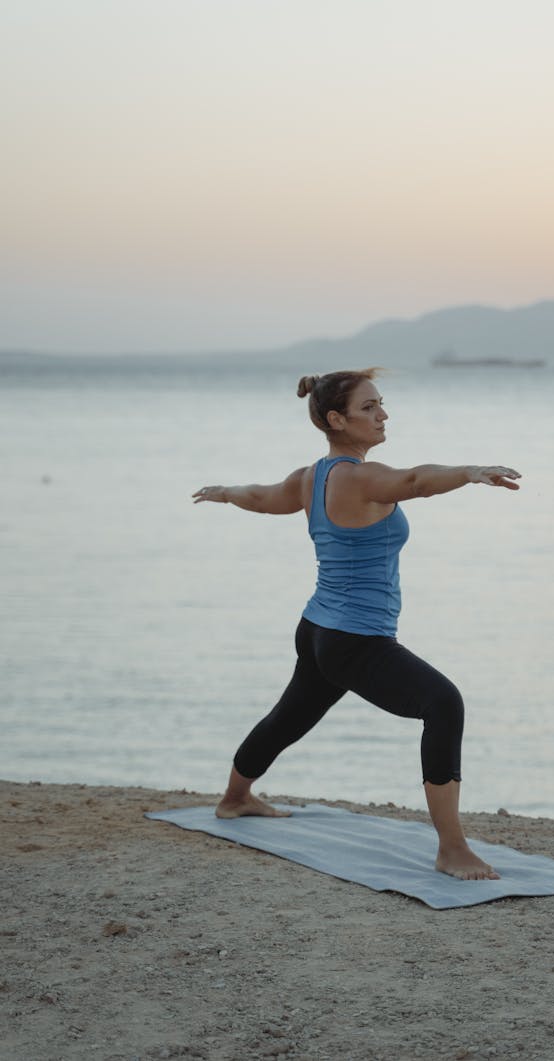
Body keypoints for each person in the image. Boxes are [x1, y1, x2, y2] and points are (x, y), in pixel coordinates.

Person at [192, 368, 521, 881]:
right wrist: (469, 471)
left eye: (381, 404)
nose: (383, 415)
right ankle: (452, 850)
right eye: (370, 408)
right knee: (443, 704)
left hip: (318, 627)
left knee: (290, 716)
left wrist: (226, 491)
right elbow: (413, 481)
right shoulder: (360, 477)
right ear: (336, 419)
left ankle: (235, 800)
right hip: (354, 640)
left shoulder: (311, 477)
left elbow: (262, 498)